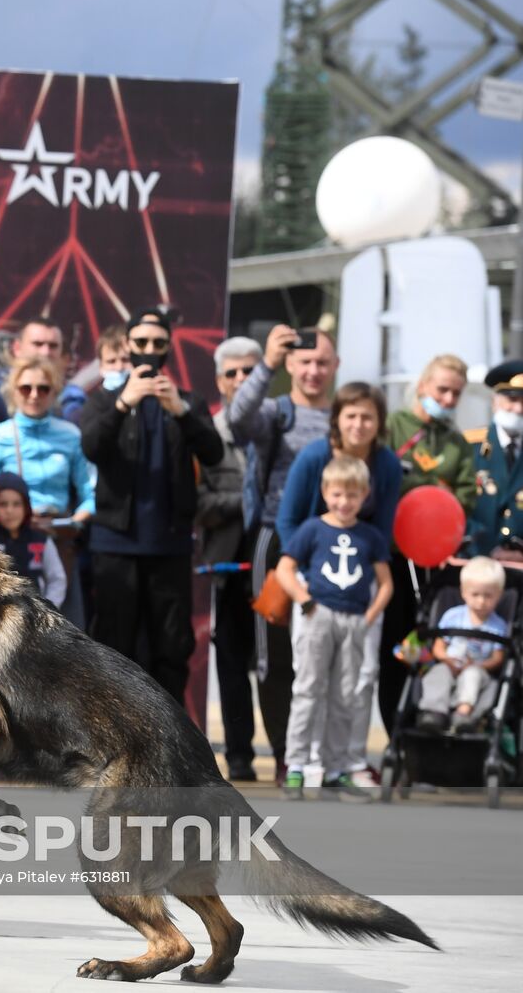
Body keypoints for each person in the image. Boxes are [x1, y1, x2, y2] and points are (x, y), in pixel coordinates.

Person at [80, 312, 223, 704]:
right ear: (127, 346)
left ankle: (170, 746)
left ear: (168, 347)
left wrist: (180, 410)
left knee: (172, 649)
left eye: (157, 344)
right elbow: (91, 446)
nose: (148, 352)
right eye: (140, 343)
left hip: (169, 545)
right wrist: (124, 404)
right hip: (115, 544)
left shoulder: (187, 402)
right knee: (113, 648)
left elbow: (213, 453)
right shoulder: (106, 399)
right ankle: (113, 741)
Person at [226, 323, 337, 782]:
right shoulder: (277, 411)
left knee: (328, 654)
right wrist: (266, 362)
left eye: (322, 363)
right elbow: (237, 419)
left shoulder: (343, 416)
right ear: (291, 365)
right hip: (275, 541)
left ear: (335, 367)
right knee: (274, 656)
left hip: (331, 547)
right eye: (304, 362)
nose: (313, 370)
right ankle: (284, 754)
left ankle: (321, 755)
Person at [277, 381, 402, 782]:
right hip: (316, 586)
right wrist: (305, 584)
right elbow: (289, 520)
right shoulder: (315, 456)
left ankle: (345, 761)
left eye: (368, 416)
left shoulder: (386, 465)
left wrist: (368, 603)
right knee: (310, 680)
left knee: (356, 683)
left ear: (379, 422)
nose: (359, 424)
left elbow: (382, 534)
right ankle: (300, 760)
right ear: (337, 419)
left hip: (359, 593)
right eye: (351, 415)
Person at [378, 354, 476, 732]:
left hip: (436, 563)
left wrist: (433, 497)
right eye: (442, 390)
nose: (449, 399)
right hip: (393, 558)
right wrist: (433, 490)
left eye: (456, 393)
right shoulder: (393, 427)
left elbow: (465, 497)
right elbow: (387, 483)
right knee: (394, 650)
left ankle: (423, 733)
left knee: (432, 650)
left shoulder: (457, 442)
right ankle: (392, 734)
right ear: (422, 386)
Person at [196, 335, 263, 781]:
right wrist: (248, 499)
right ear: (219, 380)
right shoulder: (207, 435)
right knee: (233, 660)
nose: (240, 380)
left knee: (281, 661)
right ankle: (240, 756)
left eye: (249, 371)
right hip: (229, 561)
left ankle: (293, 754)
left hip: (276, 559)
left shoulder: (279, 427)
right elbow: (196, 502)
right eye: (232, 372)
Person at [0, 356, 94, 626]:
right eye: (26, 388)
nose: (34, 395)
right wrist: (3, 520)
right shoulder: (2, 434)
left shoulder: (70, 434)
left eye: (43, 388)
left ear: (54, 392)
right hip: (12, 539)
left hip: (58, 537)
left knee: (67, 629)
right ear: (14, 392)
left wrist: (76, 521)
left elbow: (88, 492)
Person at [417, 556, 507, 734]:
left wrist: (479, 665)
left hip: (479, 668)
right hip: (450, 663)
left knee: (472, 675)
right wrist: (447, 660)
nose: (481, 601)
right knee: (438, 672)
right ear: (464, 592)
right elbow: (438, 647)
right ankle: (434, 712)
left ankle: (463, 714)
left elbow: (498, 657)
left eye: (488, 596)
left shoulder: (498, 626)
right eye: (475, 595)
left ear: (499, 596)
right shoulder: (453, 616)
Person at [0, 317, 83, 424]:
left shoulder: (71, 395)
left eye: (53, 346)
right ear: (17, 348)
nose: (45, 352)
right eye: (38, 344)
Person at [0, 472, 67, 606]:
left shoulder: (41, 540)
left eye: (16, 504)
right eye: (3, 504)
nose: (9, 510)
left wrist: (50, 609)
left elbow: (57, 579)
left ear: (26, 507)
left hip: (38, 615)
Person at [467, 359, 523, 558]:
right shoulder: (468, 446)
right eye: (512, 399)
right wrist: (486, 547)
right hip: (478, 561)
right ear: (494, 402)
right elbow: (457, 505)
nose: (519, 409)